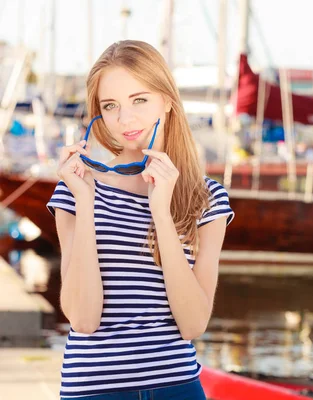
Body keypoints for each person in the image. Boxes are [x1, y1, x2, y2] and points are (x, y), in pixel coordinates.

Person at [46, 40, 234, 399]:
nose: (125, 119)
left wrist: (160, 212)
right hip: (95, 390)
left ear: (167, 100)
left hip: (177, 388)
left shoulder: (207, 199)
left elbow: (193, 324)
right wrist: (87, 204)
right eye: (110, 106)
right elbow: (84, 320)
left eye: (139, 100)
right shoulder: (75, 191)